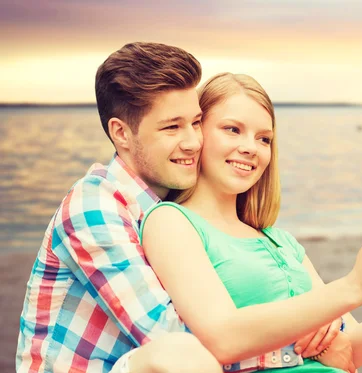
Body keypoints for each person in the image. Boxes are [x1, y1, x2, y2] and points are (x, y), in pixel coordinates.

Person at [141, 73, 362, 373]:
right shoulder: (172, 221)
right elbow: (224, 338)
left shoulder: (279, 241)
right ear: (197, 133)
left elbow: (351, 349)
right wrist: (354, 286)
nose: (251, 148)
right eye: (232, 129)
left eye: (264, 139)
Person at [16, 42, 223, 373]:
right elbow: (168, 332)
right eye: (172, 127)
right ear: (121, 133)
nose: (193, 141)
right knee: (176, 354)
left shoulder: (179, 202)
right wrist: (294, 342)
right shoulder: (93, 207)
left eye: (196, 122)